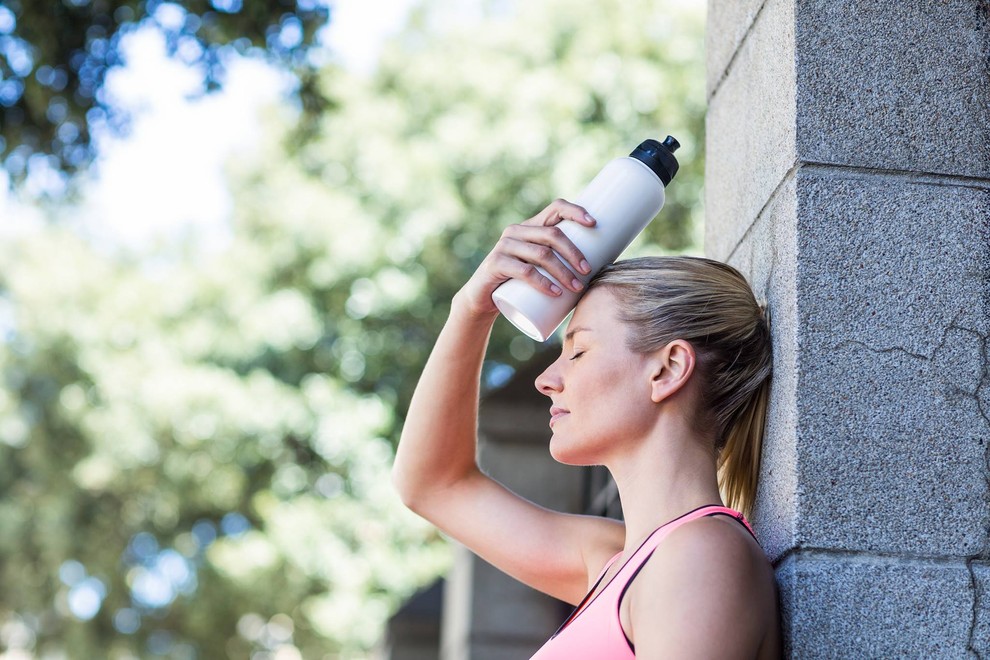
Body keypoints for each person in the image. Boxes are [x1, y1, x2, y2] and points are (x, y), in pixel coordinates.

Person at [392, 198, 781, 658]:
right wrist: (472, 307)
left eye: (577, 352)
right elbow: (433, 485)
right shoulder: (615, 561)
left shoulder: (699, 556)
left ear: (668, 369)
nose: (546, 379)